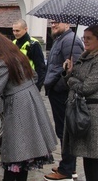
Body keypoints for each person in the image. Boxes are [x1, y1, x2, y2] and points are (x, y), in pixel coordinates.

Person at [0, 29, 57, 181]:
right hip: (30, 99)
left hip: (18, 104)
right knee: (26, 151)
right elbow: (33, 75)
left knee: (17, 149)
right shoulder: (17, 55)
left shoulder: (2, 61)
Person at [43, 21, 84, 181]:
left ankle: (67, 169)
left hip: (63, 93)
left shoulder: (70, 41)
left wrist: (58, 85)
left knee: (66, 131)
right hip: (57, 91)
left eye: (57, 22)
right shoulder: (62, 39)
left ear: (67, 23)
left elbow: (76, 69)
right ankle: (67, 165)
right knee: (62, 130)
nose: (53, 25)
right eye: (52, 22)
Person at [60, 24, 98, 181]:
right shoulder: (84, 56)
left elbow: (87, 87)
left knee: (94, 161)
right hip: (82, 112)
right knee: (88, 160)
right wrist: (68, 72)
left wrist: (72, 80)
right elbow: (75, 82)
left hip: (93, 116)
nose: (85, 41)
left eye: (89, 38)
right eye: (84, 38)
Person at [12, 19, 46, 90]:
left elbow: (40, 67)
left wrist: (37, 87)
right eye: (13, 30)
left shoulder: (34, 45)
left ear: (25, 29)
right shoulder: (13, 43)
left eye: (17, 31)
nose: (15, 33)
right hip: (16, 82)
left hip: (30, 82)